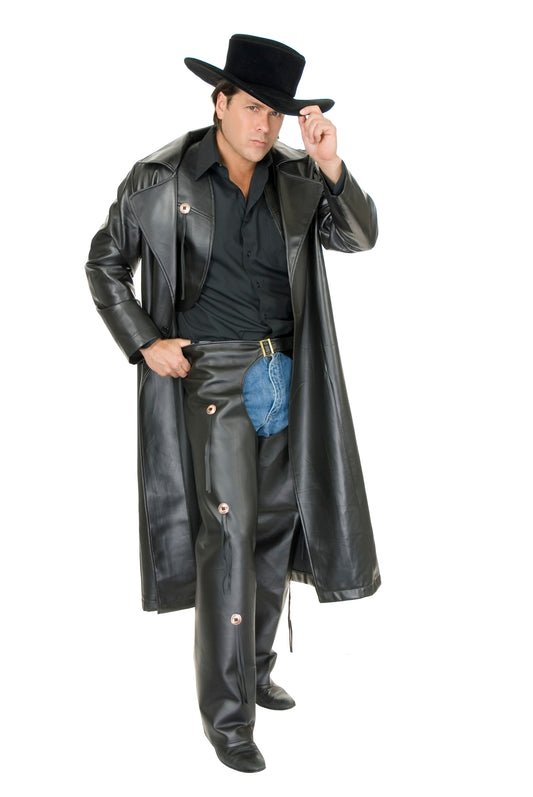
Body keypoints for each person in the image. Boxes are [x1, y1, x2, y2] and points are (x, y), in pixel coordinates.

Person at [86, 33, 381, 773]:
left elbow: (359, 237)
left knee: (275, 526)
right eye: (252, 108)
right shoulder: (161, 177)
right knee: (229, 535)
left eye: (276, 113)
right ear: (218, 101)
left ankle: (255, 668)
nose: (265, 125)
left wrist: (330, 164)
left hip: (285, 372)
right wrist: (144, 341)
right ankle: (226, 718)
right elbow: (104, 262)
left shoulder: (297, 174)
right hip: (213, 379)